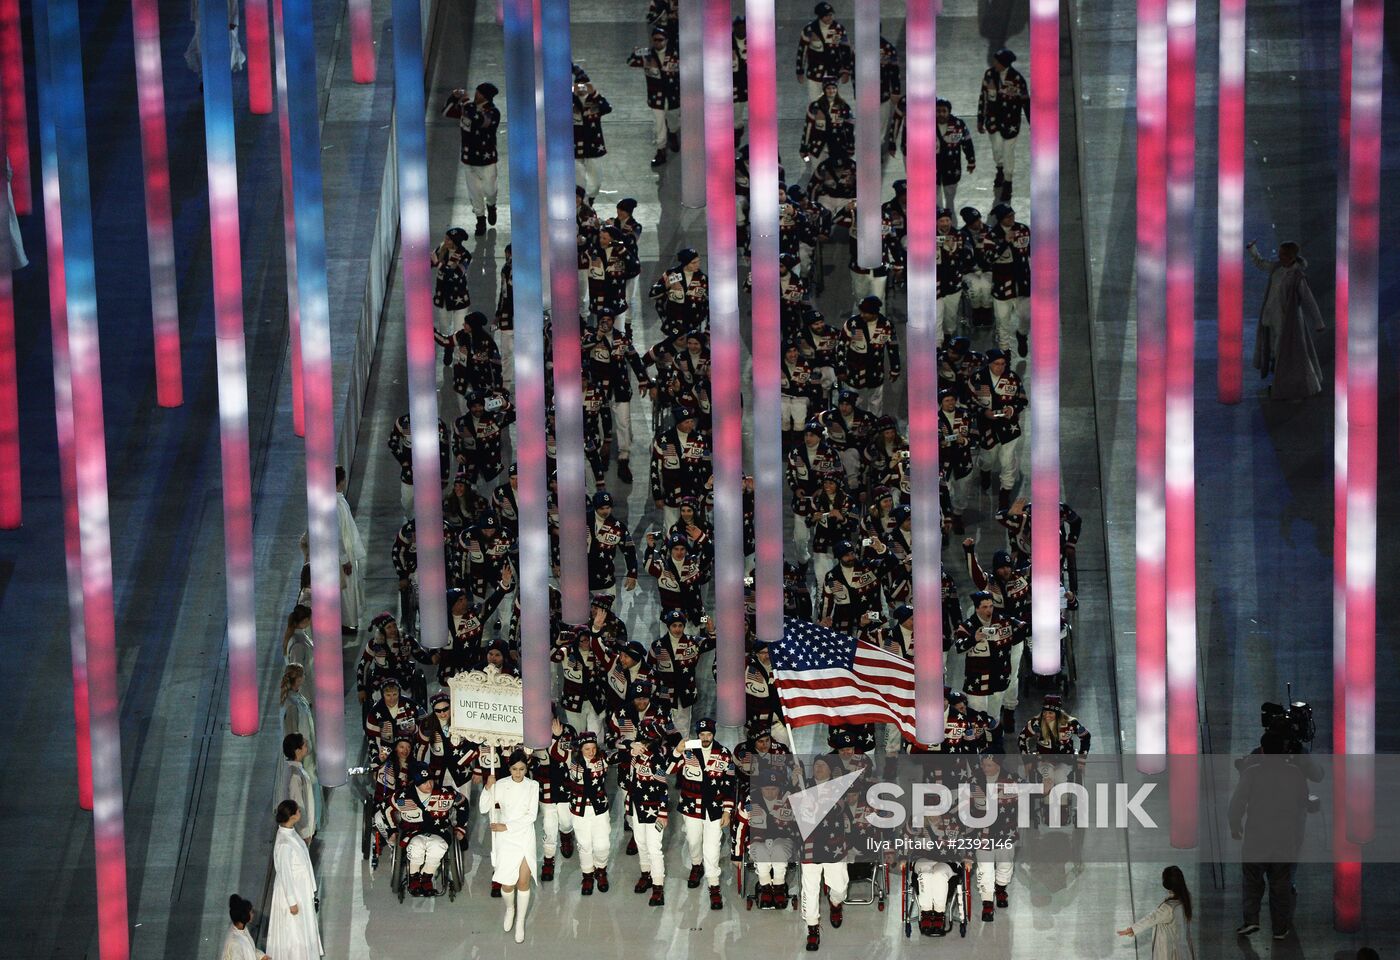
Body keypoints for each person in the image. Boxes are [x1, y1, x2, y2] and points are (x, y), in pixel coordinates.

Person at [1228, 731, 1323, 941]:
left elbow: (1237, 803)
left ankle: (1251, 919)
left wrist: (1235, 826)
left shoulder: (1252, 773)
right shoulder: (1295, 774)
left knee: (1252, 881)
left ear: (1262, 750)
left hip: (1256, 839)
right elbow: (1304, 801)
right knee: (1281, 885)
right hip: (1284, 840)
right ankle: (1280, 928)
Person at [1247, 240, 1325, 401]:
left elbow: (1308, 300)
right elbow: (1262, 264)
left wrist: (1318, 322)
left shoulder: (1297, 277)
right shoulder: (1277, 269)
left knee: (1287, 354)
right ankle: (1280, 385)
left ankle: (1290, 387)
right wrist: (1253, 250)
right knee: (1276, 353)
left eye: (1283, 254)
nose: (1279, 256)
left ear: (1291, 256)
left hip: (1287, 322)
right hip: (1271, 318)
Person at [484, 752, 540, 942]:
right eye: (514, 769)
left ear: (527, 768)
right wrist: (487, 788)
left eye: (522, 769)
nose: (518, 773)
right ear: (509, 769)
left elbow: (531, 816)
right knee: (507, 884)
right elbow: (484, 808)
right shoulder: (500, 784)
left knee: (523, 882)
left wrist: (506, 826)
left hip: (524, 834)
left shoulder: (533, 786)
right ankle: (510, 909)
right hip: (505, 838)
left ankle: (520, 922)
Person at [441, 82, 501, 234]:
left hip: (487, 161)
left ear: (486, 96)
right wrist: (453, 98)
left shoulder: (493, 112)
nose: (476, 94)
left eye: (480, 93)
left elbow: (480, 121)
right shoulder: (468, 108)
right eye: (477, 91)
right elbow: (446, 112)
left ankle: (492, 205)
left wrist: (466, 104)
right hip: (469, 159)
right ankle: (480, 219)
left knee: (490, 190)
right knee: (474, 192)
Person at [268, 801, 322, 960]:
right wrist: (292, 902)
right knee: (294, 932)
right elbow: (285, 874)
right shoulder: (284, 843)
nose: (300, 811)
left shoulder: (289, 832)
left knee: (302, 929)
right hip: (293, 894)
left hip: (301, 890)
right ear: (292, 816)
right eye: (298, 810)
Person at [976, 48, 1029, 202]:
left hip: (1010, 123)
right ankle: (999, 169)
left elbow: (1025, 102)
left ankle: (1008, 182)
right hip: (993, 120)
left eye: (997, 62)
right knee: (997, 150)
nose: (994, 64)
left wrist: (1033, 122)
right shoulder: (989, 74)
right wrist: (980, 119)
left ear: (1004, 63)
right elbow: (983, 96)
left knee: (1008, 153)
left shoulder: (1017, 79)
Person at [1118, 866, 1196, 959]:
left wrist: (1132, 929)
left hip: (1171, 953)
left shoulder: (1169, 908)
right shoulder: (1186, 900)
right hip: (1184, 951)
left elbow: (1151, 919)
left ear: (1166, 884)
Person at [335, 466, 367, 638]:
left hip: (347, 551)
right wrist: (344, 559)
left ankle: (348, 621)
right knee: (346, 589)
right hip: (343, 555)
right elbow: (337, 534)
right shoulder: (335, 504)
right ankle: (346, 622)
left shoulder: (339, 501)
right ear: (341, 482)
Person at [274, 733, 318, 842]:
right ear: (297, 751)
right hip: (299, 831)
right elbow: (297, 802)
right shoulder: (295, 775)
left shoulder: (291, 769)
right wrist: (305, 832)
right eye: (304, 745)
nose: (307, 746)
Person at [280, 664, 316, 781]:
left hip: (306, 752)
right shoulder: (292, 704)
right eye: (303, 674)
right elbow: (291, 735)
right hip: (301, 757)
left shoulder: (298, 697)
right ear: (299, 679)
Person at [218, 894, 269, 960]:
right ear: (244, 915)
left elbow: (249, 949)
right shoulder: (234, 942)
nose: (253, 914)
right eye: (251, 912)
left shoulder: (242, 930)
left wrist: (261, 956)